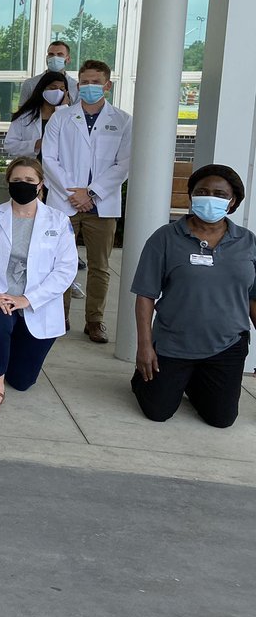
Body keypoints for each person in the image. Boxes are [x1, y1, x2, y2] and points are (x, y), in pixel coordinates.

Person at [131, 164, 256, 428]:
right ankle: (147, 379)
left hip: (227, 345)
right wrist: (144, 346)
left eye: (220, 194)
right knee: (157, 411)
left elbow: (253, 298)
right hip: (174, 343)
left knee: (221, 419)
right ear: (191, 195)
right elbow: (145, 295)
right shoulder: (165, 238)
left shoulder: (248, 242)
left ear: (233, 201)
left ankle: (192, 380)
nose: (210, 198)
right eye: (202, 191)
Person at [0, 158, 78, 415]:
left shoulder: (58, 221)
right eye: (16, 180)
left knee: (22, 381)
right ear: (8, 183)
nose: (22, 185)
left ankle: (1, 349)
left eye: (28, 180)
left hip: (36, 303)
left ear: (40, 184)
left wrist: (27, 300)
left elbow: (66, 270)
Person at [42, 59, 132, 343]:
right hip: (65, 202)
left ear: (108, 85)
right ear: (78, 85)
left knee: (100, 266)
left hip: (102, 205)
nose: (89, 87)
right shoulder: (61, 118)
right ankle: (59, 316)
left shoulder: (123, 120)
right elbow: (49, 159)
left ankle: (94, 320)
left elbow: (124, 164)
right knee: (60, 263)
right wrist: (75, 193)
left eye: (96, 82)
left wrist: (91, 192)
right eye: (85, 82)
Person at [3, 70, 70, 159]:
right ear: (42, 89)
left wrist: (63, 109)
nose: (57, 92)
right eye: (53, 88)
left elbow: (70, 141)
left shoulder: (70, 116)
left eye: (62, 89)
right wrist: (36, 144)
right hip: (32, 165)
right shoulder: (25, 116)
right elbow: (10, 145)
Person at [19, 40, 80, 106]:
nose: (54, 58)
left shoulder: (75, 87)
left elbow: (78, 111)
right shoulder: (30, 84)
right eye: (51, 54)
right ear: (46, 58)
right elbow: (22, 110)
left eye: (60, 54)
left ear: (68, 59)